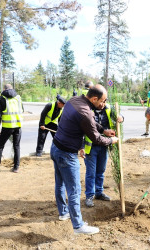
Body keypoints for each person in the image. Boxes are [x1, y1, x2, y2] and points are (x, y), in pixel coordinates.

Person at [50, 84, 119, 235]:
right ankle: (78, 226)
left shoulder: (75, 100)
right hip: (67, 155)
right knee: (74, 190)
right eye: (103, 101)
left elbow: (90, 124)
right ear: (94, 98)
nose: (104, 104)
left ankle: (63, 213)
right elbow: (95, 138)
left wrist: (104, 130)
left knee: (60, 183)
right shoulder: (86, 112)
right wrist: (111, 140)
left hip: (55, 148)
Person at [80, 103, 124, 208]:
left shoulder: (108, 108)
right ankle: (89, 196)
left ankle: (99, 193)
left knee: (101, 171)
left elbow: (120, 116)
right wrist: (81, 147)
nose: (103, 104)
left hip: (104, 146)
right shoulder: (88, 110)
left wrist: (121, 117)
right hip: (91, 147)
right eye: (101, 101)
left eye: (104, 101)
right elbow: (81, 130)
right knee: (91, 173)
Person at [0, 84, 24, 173]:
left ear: (4, 89)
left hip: (7, 127)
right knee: (16, 147)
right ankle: (16, 167)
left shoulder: (1, 99)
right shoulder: (18, 98)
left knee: (0, 146)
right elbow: (22, 110)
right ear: (12, 88)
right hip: (18, 126)